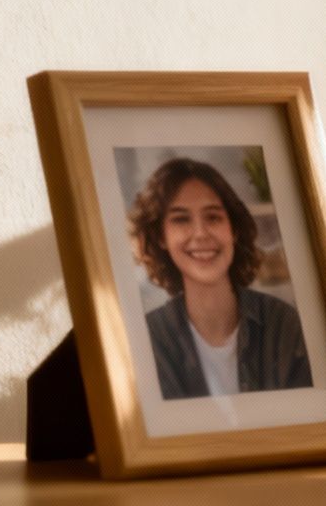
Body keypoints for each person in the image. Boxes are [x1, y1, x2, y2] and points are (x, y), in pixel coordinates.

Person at [127, 157, 311, 400]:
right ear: (161, 237)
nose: (201, 233)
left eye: (213, 217)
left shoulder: (285, 324)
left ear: (233, 229)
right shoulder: (147, 339)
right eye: (181, 219)